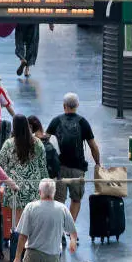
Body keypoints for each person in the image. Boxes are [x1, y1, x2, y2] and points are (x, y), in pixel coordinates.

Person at [12, 179, 77, 262]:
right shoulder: (62, 208)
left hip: (33, 255)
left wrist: (17, 257)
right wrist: (73, 240)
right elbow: (73, 231)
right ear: (54, 192)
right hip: (52, 256)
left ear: (40, 192)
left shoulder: (31, 207)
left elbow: (23, 236)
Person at [47, 93, 102, 221]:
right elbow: (93, 146)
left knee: (59, 200)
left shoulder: (56, 121)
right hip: (78, 168)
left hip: (59, 167)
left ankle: (59, 228)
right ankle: (70, 229)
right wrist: (98, 163)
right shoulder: (83, 122)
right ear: (77, 105)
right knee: (76, 199)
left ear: (64, 105)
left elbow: (45, 141)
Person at [0, 114, 48, 233]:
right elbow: (42, 167)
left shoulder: (9, 144)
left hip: (15, 187)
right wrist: (47, 186)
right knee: (32, 216)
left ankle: (19, 244)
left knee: (18, 219)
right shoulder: (38, 143)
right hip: (33, 186)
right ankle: (30, 242)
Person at [13, 0, 53, 77]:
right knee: (32, 44)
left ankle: (21, 58)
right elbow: (47, 1)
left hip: (21, 15)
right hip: (35, 16)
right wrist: (50, 22)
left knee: (19, 40)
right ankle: (27, 69)